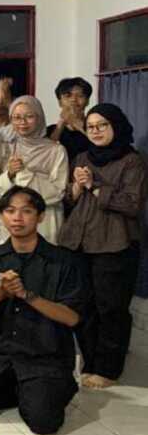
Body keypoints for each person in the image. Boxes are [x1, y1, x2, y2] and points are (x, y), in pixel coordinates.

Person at [0, 186, 82, 435]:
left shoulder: (62, 260)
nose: (17, 218)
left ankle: (49, 389)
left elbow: (72, 317)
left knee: (44, 422)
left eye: (26, 211)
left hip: (43, 358)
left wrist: (27, 295)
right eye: (10, 211)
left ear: (40, 216)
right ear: (2, 216)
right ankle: (20, 390)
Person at [59, 103, 147, 389]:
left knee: (111, 308)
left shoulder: (132, 161)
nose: (95, 131)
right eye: (91, 127)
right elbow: (70, 200)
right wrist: (76, 187)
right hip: (78, 242)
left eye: (102, 125)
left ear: (116, 126)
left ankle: (108, 369)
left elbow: (132, 204)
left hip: (115, 243)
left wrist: (95, 186)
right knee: (83, 306)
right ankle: (90, 362)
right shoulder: (83, 156)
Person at [0, 95, 68, 244]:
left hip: (45, 219)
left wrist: (26, 175)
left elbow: (59, 190)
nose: (23, 122)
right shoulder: (6, 148)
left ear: (39, 118)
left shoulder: (55, 150)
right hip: (11, 221)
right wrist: (10, 174)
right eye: (17, 117)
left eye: (29, 116)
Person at [47, 77, 93, 169]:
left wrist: (76, 123)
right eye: (68, 96)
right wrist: (61, 123)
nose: (73, 100)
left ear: (87, 101)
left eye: (80, 96)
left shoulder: (94, 127)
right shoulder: (50, 130)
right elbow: (46, 153)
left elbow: (102, 145)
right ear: (60, 102)